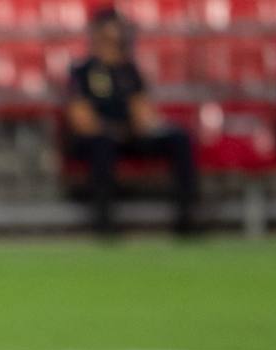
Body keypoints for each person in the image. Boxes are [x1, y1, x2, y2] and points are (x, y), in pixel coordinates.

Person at [65, 9, 199, 235]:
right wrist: (111, 129)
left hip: (130, 135)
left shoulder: (129, 71)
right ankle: (104, 221)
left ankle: (186, 217)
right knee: (102, 145)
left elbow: (143, 111)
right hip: (100, 137)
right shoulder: (82, 71)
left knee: (179, 139)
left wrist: (142, 125)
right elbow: (81, 118)